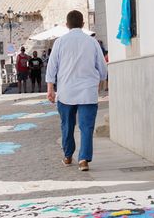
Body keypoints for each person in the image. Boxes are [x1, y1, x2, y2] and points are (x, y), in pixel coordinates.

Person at [46, 9, 109, 171]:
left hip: (66, 91)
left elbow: (52, 67)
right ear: (82, 24)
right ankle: (83, 160)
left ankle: (68, 156)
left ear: (67, 25)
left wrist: (50, 89)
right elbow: (102, 68)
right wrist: (100, 79)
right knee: (86, 127)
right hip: (87, 92)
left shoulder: (60, 42)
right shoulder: (92, 42)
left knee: (67, 125)